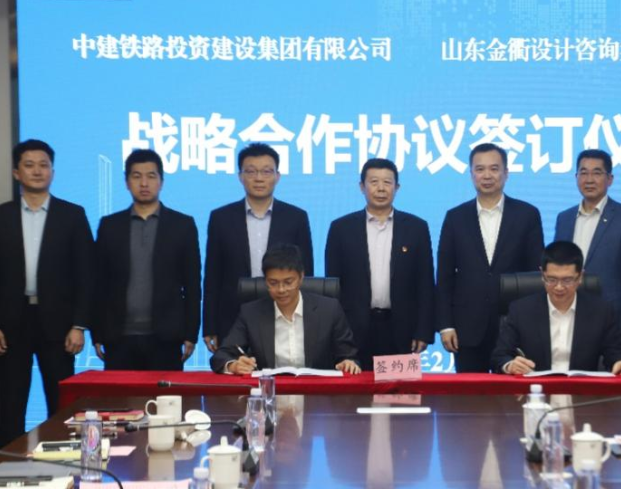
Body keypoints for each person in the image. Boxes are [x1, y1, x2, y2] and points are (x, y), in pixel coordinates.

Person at [0, 140, 94, 447]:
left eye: (44, 165)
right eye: (29, 165)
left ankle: (64, 465)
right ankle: (9, 465)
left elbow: (85, 274)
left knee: (61, 405)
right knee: (11, 405)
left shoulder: (72, 215)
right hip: (10, 324)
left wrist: (79, 324)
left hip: (59, 325)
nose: (37, 171)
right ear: (16, 172)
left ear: (53, 172)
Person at [436, 143, 544, 372]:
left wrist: (533, 324)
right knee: (469, 392)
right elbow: (444, 276)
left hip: (514, 326)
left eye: (494, 169)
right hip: (467, 328)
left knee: (512, 392)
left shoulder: (527, 215)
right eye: (480, 169)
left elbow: (535, 275)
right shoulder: (455, 217)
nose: (487, 175)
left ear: (506, 173)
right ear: (471, 174)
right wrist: (446, 325)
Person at [92, 149, 201, 371]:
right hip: (118, 336)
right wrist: (97, 333)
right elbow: (98, 283)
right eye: (136, 176)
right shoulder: (109, 226)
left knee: (165, 395)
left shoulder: (182, 225)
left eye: (151, 176)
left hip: (166, 337)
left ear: (161, 182)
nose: (144, 183)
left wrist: (191, 333)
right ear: (126, 182)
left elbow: (192, 285)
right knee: (118, 394)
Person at [325, 158, 434, 370]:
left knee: (400, 389)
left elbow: (425, 283)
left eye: (387, 182)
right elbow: (333, 286)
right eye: (374, 182)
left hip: (402, 329)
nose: (381, 188)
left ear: (397, 187)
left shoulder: (417, 228)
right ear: (361, 187)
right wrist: (336, 332)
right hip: (352, 330)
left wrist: (423, 331)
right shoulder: (341, 228)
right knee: (354, 387)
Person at [203, 143, 313, 353]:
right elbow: (212, 276)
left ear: (277, 176)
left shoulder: (296, 217)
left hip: (283, 310)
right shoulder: (221, 218)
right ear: (240, 176)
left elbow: (305, 273)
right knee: (236, 369)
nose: (259, 178)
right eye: (251, 171)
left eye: (266, 171)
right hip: (232, 314)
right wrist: (210, 325)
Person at [211, 244, 360, 375]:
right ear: (265, 281)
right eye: (273, 283)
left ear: (301, 277)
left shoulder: (329, 309)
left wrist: (348, 363)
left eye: (288, 282)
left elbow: (348, 356)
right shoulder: (251, 313)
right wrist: (233, 365)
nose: (281, 290)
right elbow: (221, 356)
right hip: (270, 392)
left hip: (317, 393)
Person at [492, 241, 621, 376]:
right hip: (536, 389)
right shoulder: (521, 310)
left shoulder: (601, 311)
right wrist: (509, 365)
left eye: (567, 280)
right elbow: (499, 356)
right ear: (542, 274)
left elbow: (617, 353)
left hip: (582, 389)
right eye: (552, 280)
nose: (559, 287)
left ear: (580, 276)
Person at [554, 149, 621, 351]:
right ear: (576, 177)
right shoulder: (564, 218)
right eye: (583, 172)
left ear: (610, 179)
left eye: (597, 173)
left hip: (610, 324)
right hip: (565, 320)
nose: (589, 179)